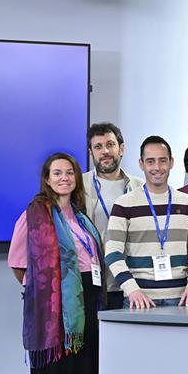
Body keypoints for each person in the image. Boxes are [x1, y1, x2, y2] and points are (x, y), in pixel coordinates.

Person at [7, 152, 103, 374]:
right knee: (58, 373)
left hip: (86, 299)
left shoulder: (80, 215)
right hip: (55, 306)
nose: (65, 178)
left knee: (84, 370)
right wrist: (45, 292)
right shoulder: (36, 214)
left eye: (70, 172)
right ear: (47, 180)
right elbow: (17, 263)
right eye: (58, 173)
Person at [104, 136, 188, 308]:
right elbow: (112, 253)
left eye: (163, 161)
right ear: (141, 164)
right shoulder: (124, 204)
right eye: (150, 161)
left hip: (182, 298)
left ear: (171, 162)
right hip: (139, 299)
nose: (157, 168)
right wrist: (132, 290)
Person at [82, 122, 143, 310]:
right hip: (93, 282)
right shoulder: (79, 185)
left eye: (110, 144)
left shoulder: (141, 187)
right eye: (98, 147)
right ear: (91, 152)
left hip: (133, 284)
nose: (105, 151)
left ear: (121, 148)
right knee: (91, 339)